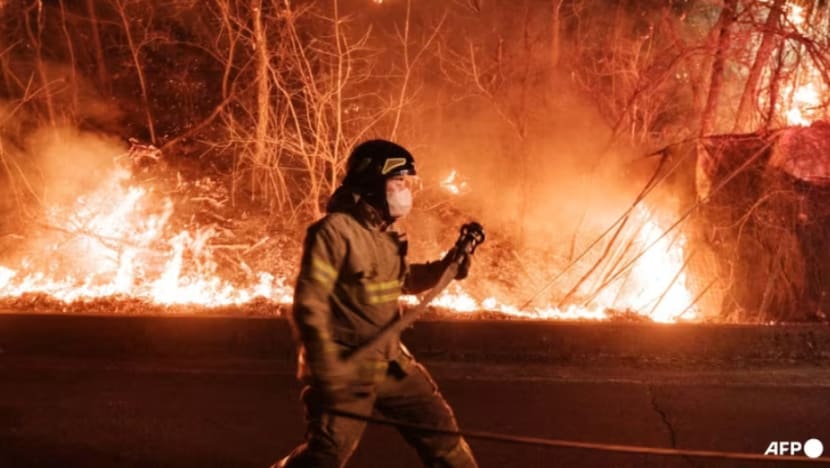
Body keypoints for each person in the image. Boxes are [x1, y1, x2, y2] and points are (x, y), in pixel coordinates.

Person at [275, 139, 478, 468]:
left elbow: (402, 281)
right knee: (325, 456)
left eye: (405, 183)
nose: (405, 191)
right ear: (372, 183)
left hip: (391, 362)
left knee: (442, 438)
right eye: (398, 182)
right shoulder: (334, 232)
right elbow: (309, 304)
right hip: (348, 365)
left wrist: (449, 266)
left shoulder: (384, 237)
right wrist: (327, 366)